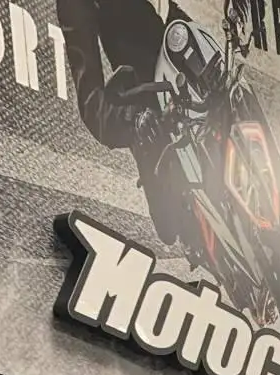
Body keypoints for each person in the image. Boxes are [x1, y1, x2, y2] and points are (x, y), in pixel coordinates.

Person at [55, 0, 187, 253]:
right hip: (158, 119)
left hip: (201, 82)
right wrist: (134, 120)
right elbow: (92, 105)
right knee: (173, 224)